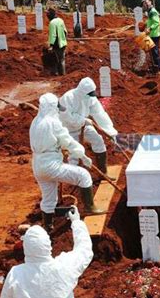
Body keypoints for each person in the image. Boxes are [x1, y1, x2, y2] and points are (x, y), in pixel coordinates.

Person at [31, 93, 105, 232]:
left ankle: (48, 227)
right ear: (53, 107)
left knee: (48, 199)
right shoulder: (53, 122)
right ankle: (90, 207)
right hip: (51, 165)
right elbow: (67, 141)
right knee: (83, 176)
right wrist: (82, 155)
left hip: (38, 166)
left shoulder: (36, 122)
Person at [0, 206, 93, 298]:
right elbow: (84, 249)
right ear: (47, 244)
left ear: (25, 247)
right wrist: (76, 222)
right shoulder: (65, 266)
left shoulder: (16, 274)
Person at [59, 77, 118, 178]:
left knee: (98, 141)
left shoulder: (90, 98)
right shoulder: (68, 98)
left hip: (84, 126)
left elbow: (100, 114)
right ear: (82, 92)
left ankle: (103, 173)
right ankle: (75, 180)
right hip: (68, 130)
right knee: (74, 154)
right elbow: (67, 117)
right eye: (89, 94)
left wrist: (111, 133)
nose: (92, 96)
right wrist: (83, 120)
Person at [142, 0, 160, 72]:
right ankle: (155, 67)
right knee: (152, 51)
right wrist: (146, 24)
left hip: (155, 35)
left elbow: (157, 23)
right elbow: (151, 21)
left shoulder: (153, 12)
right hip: (151, 34)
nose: (143, 7)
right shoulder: (150, 12)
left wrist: (150, 28)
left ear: (147, 5)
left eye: (144, 5)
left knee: (155, 51)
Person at [47, 8, 67, 76]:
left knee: (55, 60)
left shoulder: (52, 23)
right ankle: (62, 74)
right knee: (62, 60)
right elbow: (65, 31)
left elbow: (53, 35)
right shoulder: (61, 20)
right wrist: (64, 40)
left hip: (56, 44)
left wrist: (51, 46)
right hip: (63, 43)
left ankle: (55, 74)